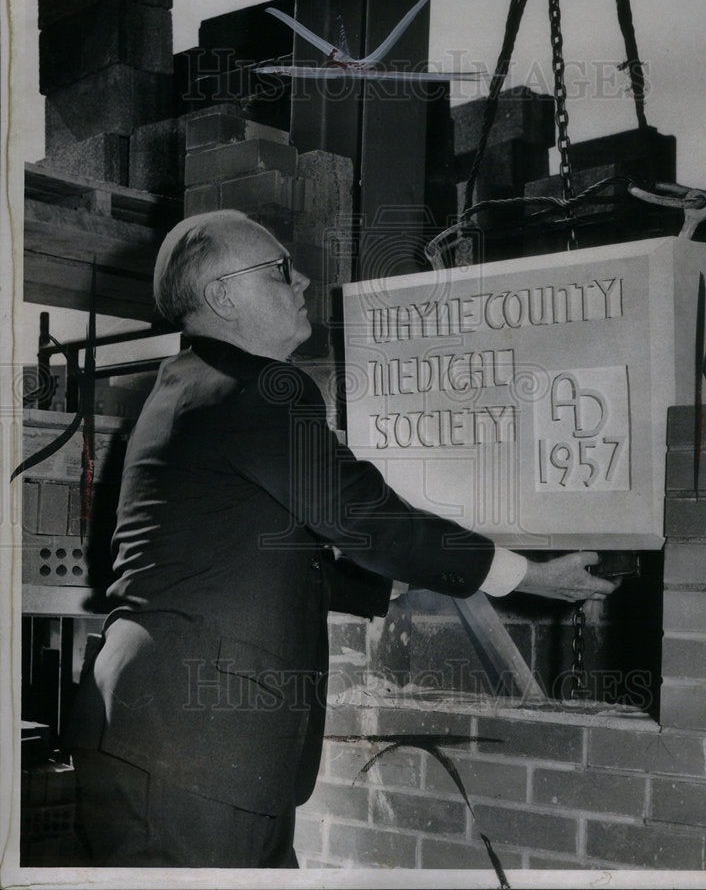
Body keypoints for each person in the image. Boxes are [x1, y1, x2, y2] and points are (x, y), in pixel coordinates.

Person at [65, 209, 618, 868]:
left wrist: (402, 576)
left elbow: (241, 557)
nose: (299, 280)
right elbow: (364, 516)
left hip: (169, 735)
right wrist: (526, 576)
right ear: (221, 297)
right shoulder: (258, 389)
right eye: (276, 269)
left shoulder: (186, 388)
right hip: (195, 742)